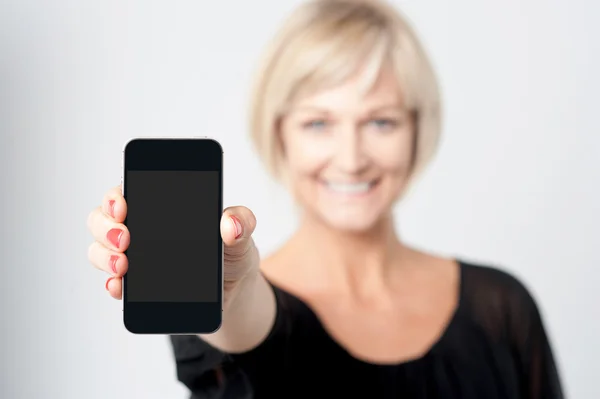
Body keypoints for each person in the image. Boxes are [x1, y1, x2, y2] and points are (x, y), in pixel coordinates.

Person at [86, 0, 564, 397]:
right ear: (280, 134)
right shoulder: (238, 300)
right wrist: (232, 285)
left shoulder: (501, 307)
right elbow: (247, 324)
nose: (352, 158)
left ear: (418, 130)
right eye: (318, 123)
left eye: (382, 122)